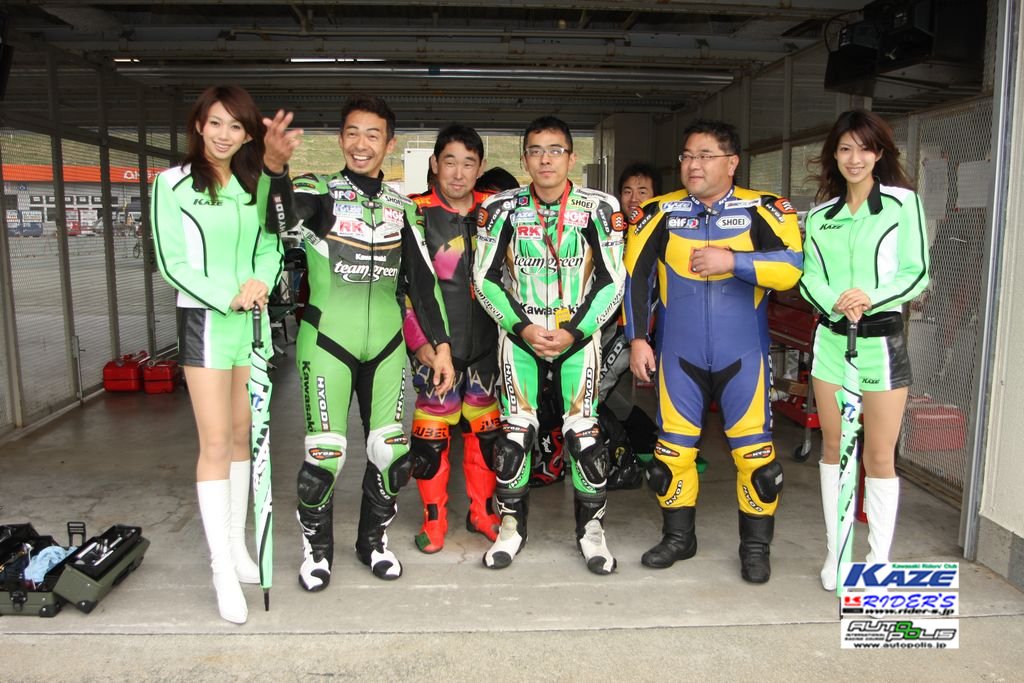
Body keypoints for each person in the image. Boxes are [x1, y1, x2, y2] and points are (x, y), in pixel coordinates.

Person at [260, 95, 455, 589]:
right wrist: (275, 170)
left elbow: (422, 283)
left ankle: (373, 543)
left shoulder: (403, 209)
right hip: (327, 340)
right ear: (340, 138)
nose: (361, 144)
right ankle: (317, 551)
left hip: (387, 345)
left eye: (373, 134)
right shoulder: (317, 192)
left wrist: (441, 345)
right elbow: (276, 220)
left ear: (389, 143)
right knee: (324, 456)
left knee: (390, 454)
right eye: (352, 133)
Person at [624, 120, 802, 583]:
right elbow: (635, 279)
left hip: (742, 355)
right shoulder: (658, 212)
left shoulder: (765, 208)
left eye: (705, 155)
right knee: (671, 455)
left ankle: (755, 548)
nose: (693, 164)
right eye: (687, 156)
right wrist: (638, 339)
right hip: (677, 356)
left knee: (756, 461)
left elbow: (791, 268)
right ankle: (678, 538)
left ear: (732, 162)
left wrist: (733, 261)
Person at [151, 85, 283, 624]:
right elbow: (171, 262)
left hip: (252, 323)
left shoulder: (255, 185)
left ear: (248, 134)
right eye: (215, 123)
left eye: (236, 126)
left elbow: (271, 246)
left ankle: (237, 547)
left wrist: (261, 281)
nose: (224, 135)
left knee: (243, 435)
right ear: (198, 126)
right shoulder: (171, 184)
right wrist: (225, 295)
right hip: (206, 322)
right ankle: (220, 568)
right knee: (214, 441)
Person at [473, 116, 626, 575]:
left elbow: (614, 280)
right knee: (514, 436)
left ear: (571, 157)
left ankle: (592, 534)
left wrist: (575, 332)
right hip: (520, 336)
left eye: (555, 150)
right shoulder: (501, 207)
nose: (546, 159)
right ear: (524, 159)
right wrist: (521, 327)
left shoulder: (600, 207)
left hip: (577, 337)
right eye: (536, 150)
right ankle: (510, 529)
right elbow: (483, 277)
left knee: (585, 437)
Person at [800, 110, 929, 591]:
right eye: (845, 149)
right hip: (832, 342)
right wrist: (834, 299)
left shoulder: (902, 204)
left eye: (865, 148)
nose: (855, 158)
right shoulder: (820, 217)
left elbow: (916, 271)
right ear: (834, 155)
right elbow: (808, 277)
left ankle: (878, 560)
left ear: (879, 154)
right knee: (834, 449)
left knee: (878, 455)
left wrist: (870, 296)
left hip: (881, 343)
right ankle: (836, 553)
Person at [403, 124, 502, 553]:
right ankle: (434, 520)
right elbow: (402, 287)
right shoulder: (414, 212)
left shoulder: (497, 210)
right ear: (434, 164)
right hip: (434, 348)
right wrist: (419, 344)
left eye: (468, 163)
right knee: (431, 439)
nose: (458, 173)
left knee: (487, 436)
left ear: (480, 167)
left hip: (487, 348)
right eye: (449, 162)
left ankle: (483, 512)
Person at [602, 163, 662, 490]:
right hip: (604, 327)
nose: (634, 198)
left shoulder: (664, 231)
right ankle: (645, 437)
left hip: (636, 332)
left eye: (642, 191)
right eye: (627, 191)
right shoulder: (612, 231)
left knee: (589, 395)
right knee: (599, 393)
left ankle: (625, 461)